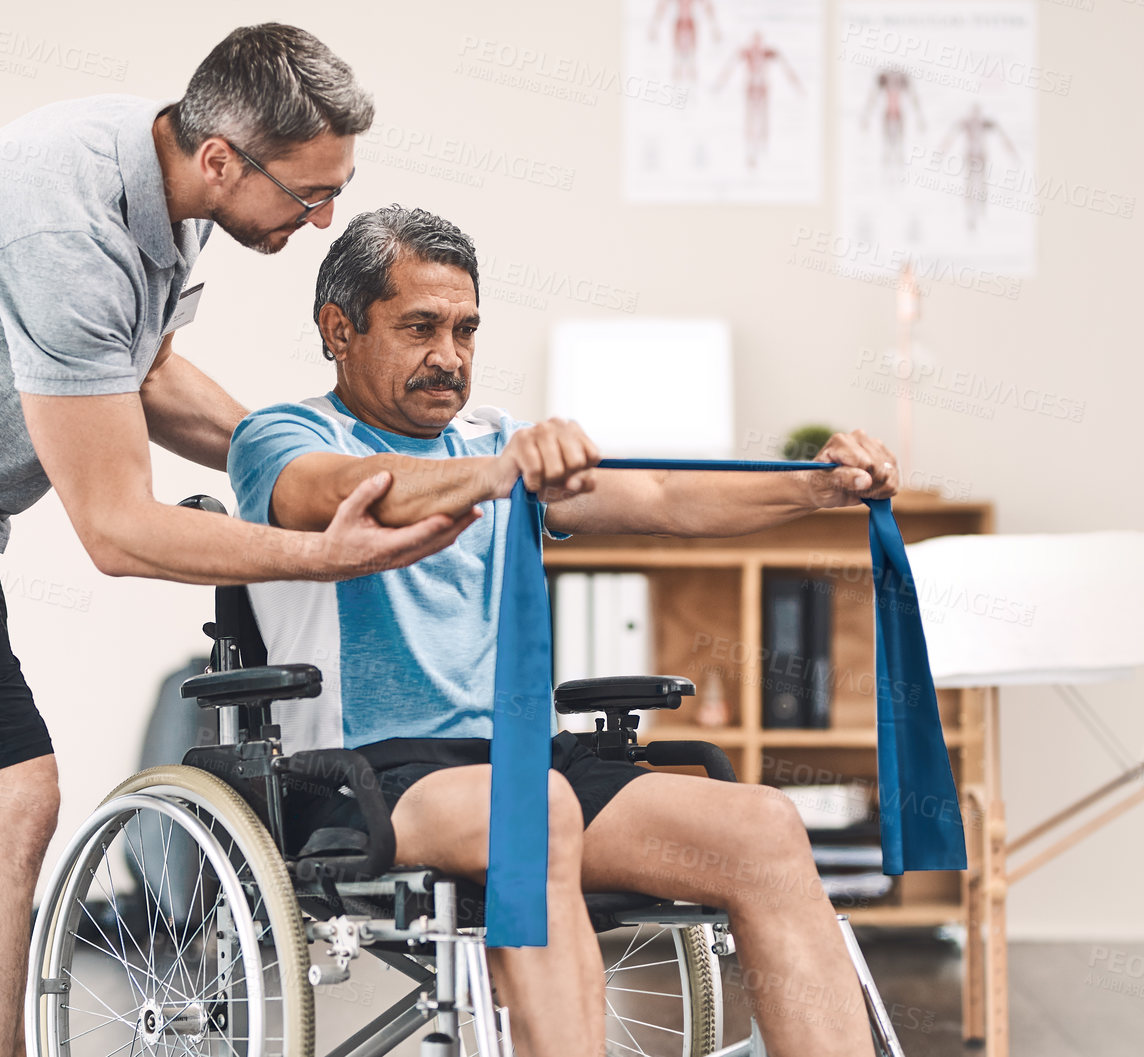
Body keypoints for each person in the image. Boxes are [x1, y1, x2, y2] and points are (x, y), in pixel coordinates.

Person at [0, 26, 473, 1057]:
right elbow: (118, 530)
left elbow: (141, 373)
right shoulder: (61, 230)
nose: (322, 222)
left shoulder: (171, 192)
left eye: (336, 192)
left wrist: (292, 458)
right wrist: (324, 553)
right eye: (308, 196)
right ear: (223, 157)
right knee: (13, 798)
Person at [228, 205, 901, 1056]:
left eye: (466, 329)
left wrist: (816, 487)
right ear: (340, 328)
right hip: (369, 775)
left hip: (527, 761)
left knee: (763, 825)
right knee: (535, 811)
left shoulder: (494, 437)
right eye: (420, 327)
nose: (450, 356)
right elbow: (346, 492)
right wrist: (499, 471)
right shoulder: (281, 436)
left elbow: (658, 494)